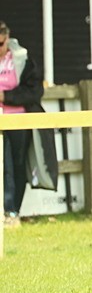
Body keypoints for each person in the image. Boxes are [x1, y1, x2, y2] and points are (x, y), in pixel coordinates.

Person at [1, 22, 43, 225]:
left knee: (16, 166)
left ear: (7, 38)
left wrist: (5, 96)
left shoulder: (22, 59)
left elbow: (33, 91)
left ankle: (12, 211)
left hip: (18, 119)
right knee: (4, 166)